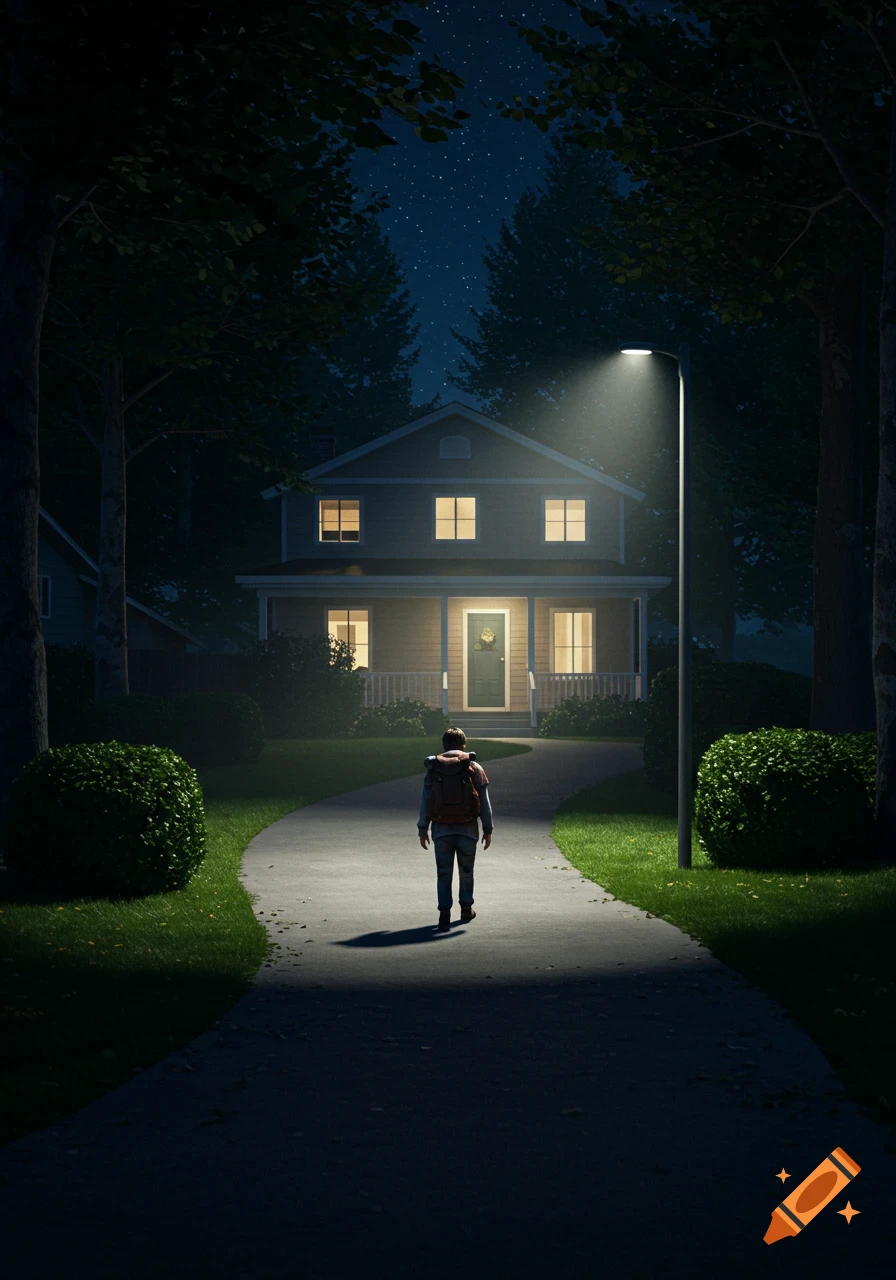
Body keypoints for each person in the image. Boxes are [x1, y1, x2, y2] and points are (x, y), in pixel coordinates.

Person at [418, 726, 493, 932]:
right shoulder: (473, 767)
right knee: (466, 871)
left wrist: (423, 828)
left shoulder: (434, 768)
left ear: (444, 745)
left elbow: (426, 800)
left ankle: (444, 914)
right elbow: (484, 803)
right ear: (463, 745)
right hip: (467, 828)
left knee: (443, 873)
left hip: (441, 829)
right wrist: (488, 829)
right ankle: (466, 909)